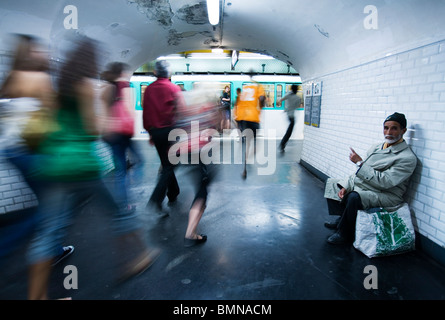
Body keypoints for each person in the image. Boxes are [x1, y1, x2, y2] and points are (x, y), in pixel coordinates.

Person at [26, 38, 159, 299]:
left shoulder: (55, 86)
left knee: (47, 233)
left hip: (54, 165)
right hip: (83, 166)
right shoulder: (87, 87)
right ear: (90, 62)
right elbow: (92, 130)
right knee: (118, 213)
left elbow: (50, 123)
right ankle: (139, 256)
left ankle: (36, 296)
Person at [0, 34, 74, 268]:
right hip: (36, 152)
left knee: (49, 204)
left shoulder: (10, 78)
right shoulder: (40, 78)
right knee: (51, 209)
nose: (44, 54)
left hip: (13, 152)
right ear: (30, 53)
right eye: (39, 50)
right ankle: (16, 248)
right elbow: (54, 115)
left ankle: (53, 249)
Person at [324, 112, 417, 245]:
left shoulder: (406, 157)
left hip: (386, 194)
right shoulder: (377, 147)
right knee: (333, 184)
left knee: (354, 197)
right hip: (368, 186)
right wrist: (346, 186)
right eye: (386, 127)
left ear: (403, 130)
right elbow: (358, 173)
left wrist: (360, 163)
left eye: (394, 128)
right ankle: (341, 218)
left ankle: (345, 233)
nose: (388, 132)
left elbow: (385, 182)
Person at [142, 60, 181, 214]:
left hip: (157, 132)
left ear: (155, 73)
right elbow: (180, 112)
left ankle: (173, 193)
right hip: (171, 131)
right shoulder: (173, 88)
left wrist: (150, 132)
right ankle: (156, 199)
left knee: (167, 164)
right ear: (169, 73)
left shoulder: (149, 90)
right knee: (171, 164)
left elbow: (146, 114)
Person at [101, 62, 138, 213]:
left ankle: (122, 205)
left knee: (120, 170)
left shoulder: (106, 89)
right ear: (122, 72)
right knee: (139, 161)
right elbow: (130, 109)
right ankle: (130, 193)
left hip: (110, 134)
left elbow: (103, 113)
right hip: (123, 133)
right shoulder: (125, 86)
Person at [234, 72, 266, 179]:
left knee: (247, 142)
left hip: (244, 119)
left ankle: (245, 168)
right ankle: (250, 158)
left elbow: (238, 105)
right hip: (253, 118)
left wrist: (238, 121)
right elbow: (261, 99)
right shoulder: (259, 86)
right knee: (258, 144)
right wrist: (261, 107)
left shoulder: (245, 88)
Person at [278, 84, 303, 153]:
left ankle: (282, 144)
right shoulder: (298, 98)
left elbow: (280, 100)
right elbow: (297, 106)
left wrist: (286, 108)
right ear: (297, 90)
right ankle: (282, 145)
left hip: (288, 115)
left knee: (289, 131)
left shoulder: (288, 95)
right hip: (292, 117)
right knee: (289, 132)